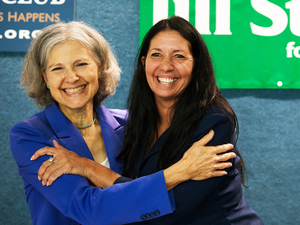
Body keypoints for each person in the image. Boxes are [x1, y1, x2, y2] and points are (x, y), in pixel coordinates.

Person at [10, 21, 236, 225]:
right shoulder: (30, 136)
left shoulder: (131, 124)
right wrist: (180, 171)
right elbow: (88, 208)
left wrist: (86, 166)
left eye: (81, 64)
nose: (71, 77)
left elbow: (144, 195)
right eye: (57, 68)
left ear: (98, 68)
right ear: (45, 77)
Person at [115, 16, 263, 224]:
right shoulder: (137, 121)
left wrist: (92, 171)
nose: (166, 66)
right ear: (144, 62)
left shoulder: (214, 122)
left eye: (179, 56)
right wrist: (180, 171)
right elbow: (135, 191)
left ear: (196, 65)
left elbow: (168, 210)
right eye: (156, 54)